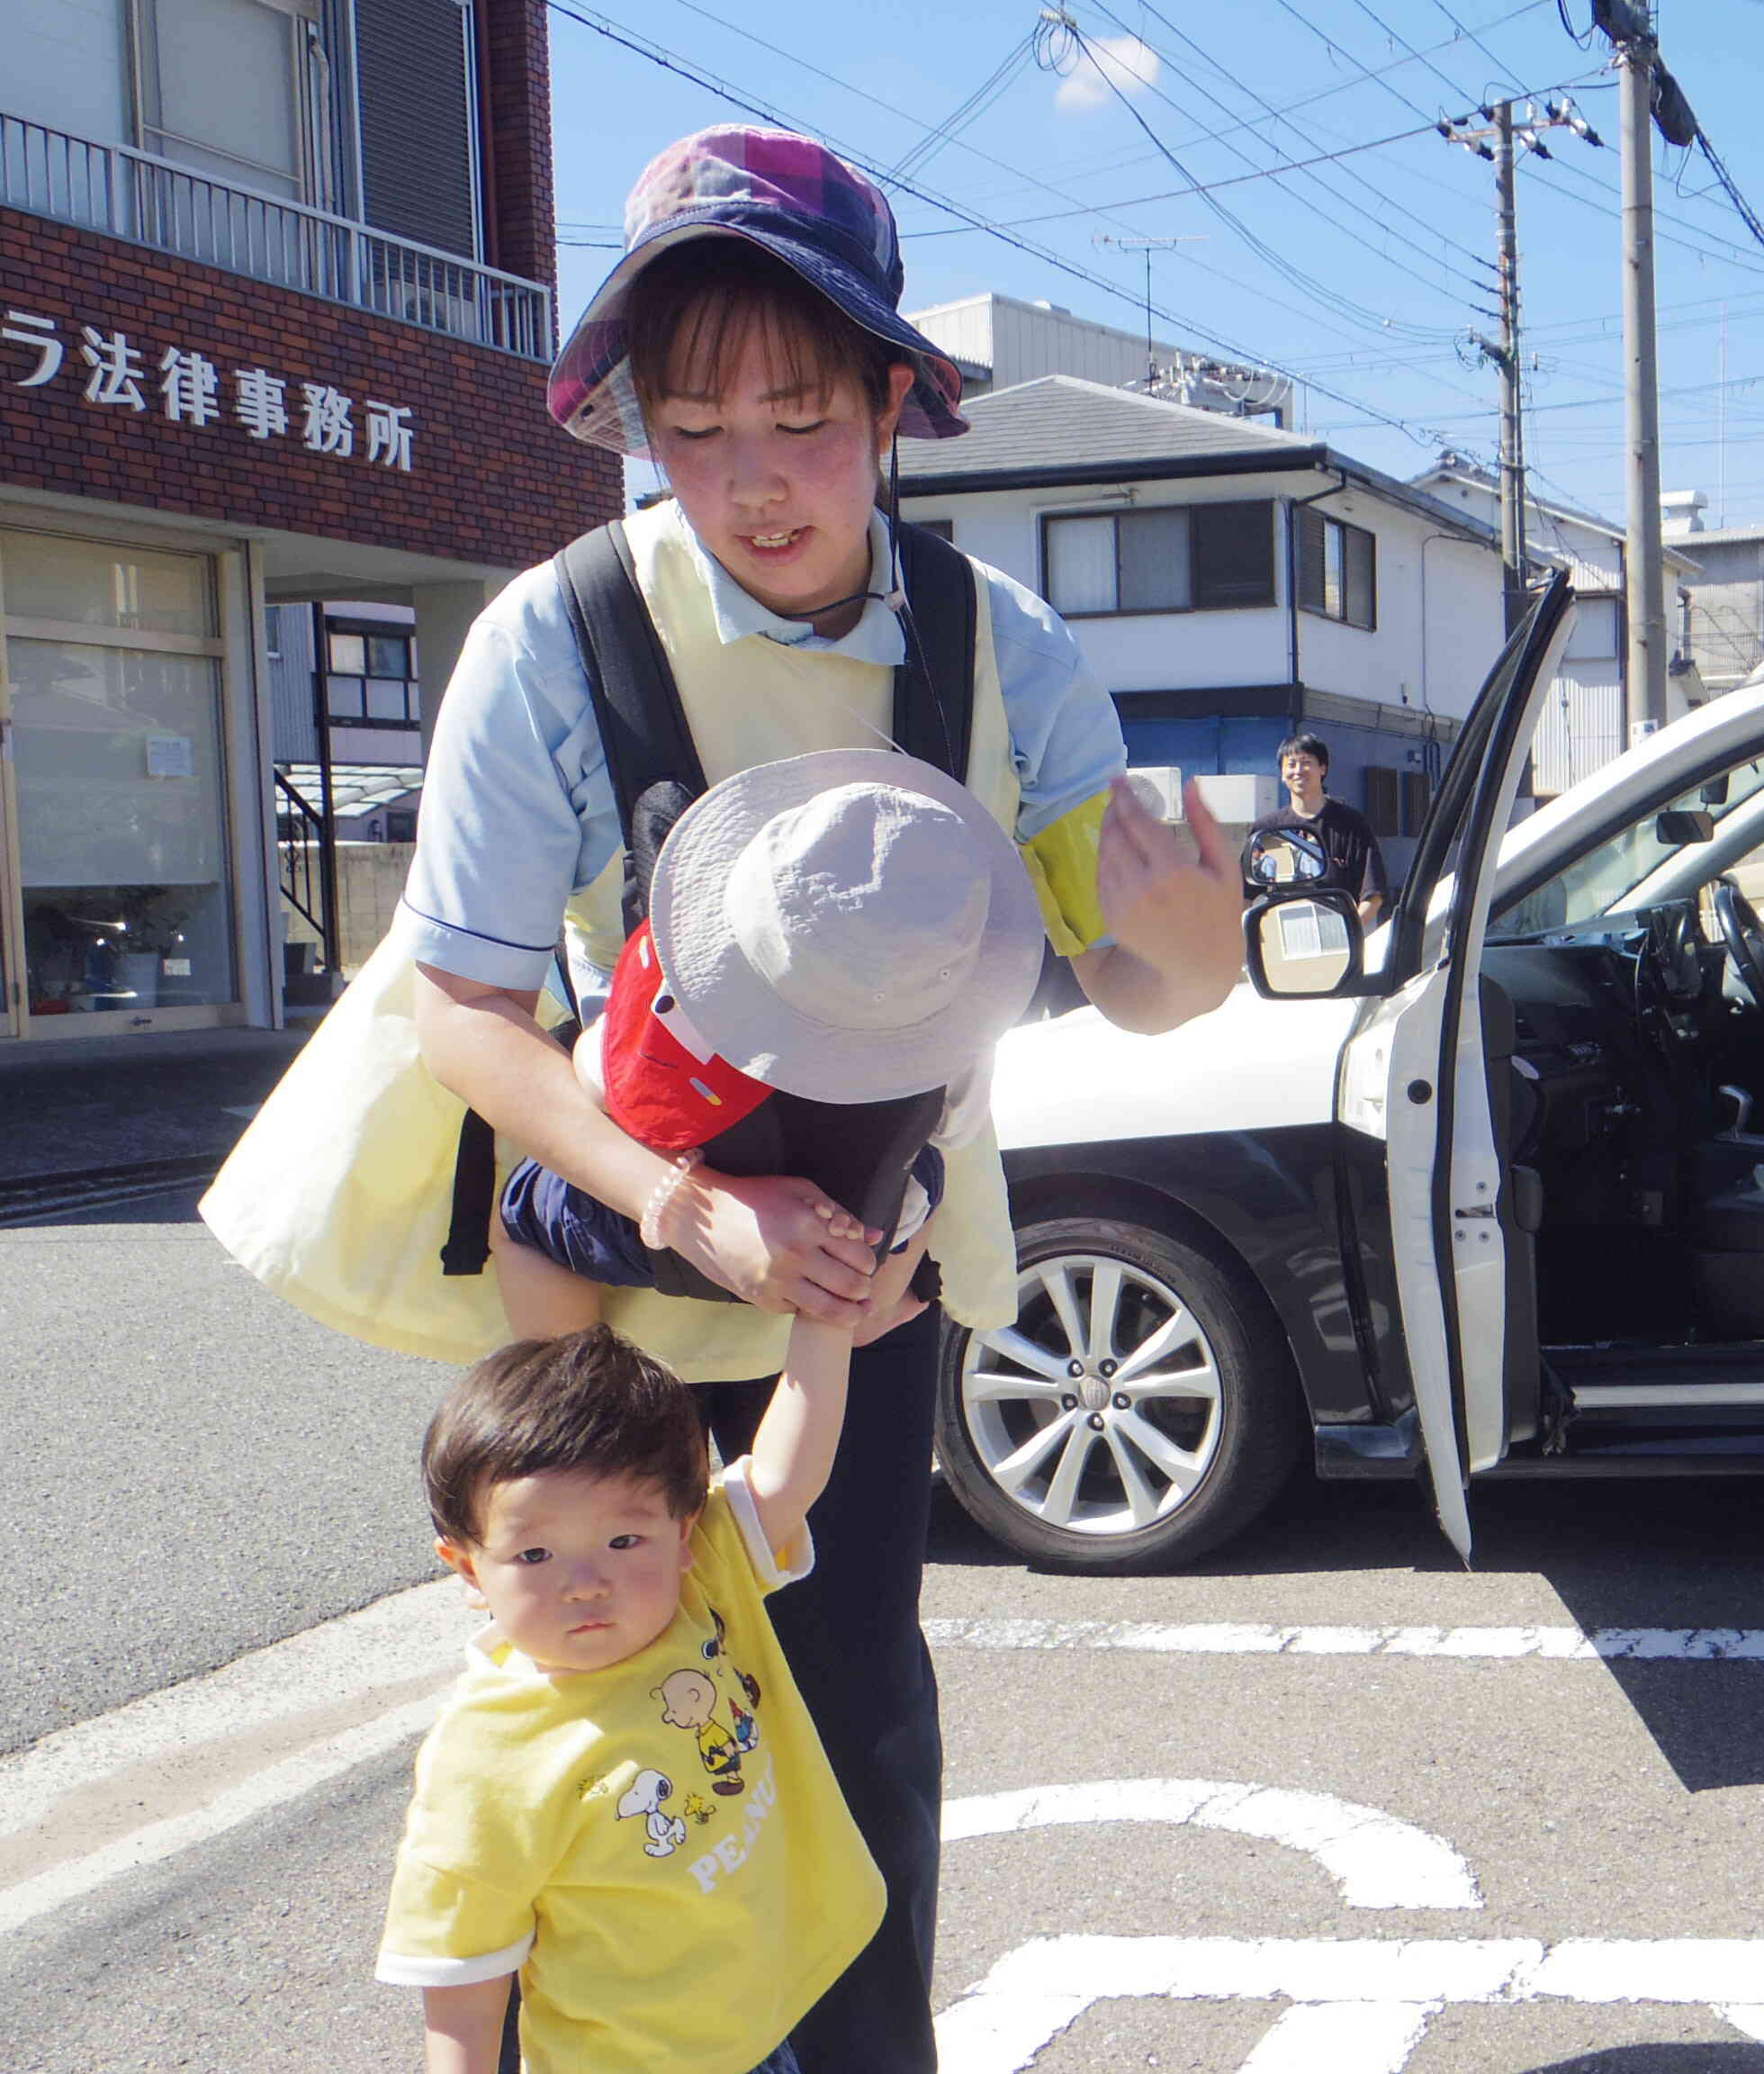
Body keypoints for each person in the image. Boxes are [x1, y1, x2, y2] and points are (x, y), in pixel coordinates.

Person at [391, 127, 1244, 2068]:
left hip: (871, 1275)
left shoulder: (993, 645)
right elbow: (460, 1008)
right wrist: (681, 1203)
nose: (751, 480)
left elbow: (1125, 976)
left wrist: (1191, 954)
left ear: (891, 401)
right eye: (690, 429)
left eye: (799, 414)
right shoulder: (561, 634)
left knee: (844, 1715)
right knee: (587, 1729)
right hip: (612, 1280)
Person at [378, 1323, 874, 2074]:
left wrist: (826, 1327)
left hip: (758, 2027)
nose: (587, 1582)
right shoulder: (485, 1758)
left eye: (623, 1541)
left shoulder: (698, 1584)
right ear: (468, 1569)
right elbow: (463, 1970)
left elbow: (785, 1478)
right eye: (535, 1554)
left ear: (682, 1534)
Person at [490, 748, 1042, 1354]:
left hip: (688, 1231)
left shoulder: (686, 1006)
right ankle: (882, 1303)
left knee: (522, 1209)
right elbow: (956, 1128)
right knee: (930, 1163)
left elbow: (600, 1079)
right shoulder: (951, 1038)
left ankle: (570, 1384)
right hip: (846, 1240)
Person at [1252, 732, 1390, 924]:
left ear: (1323, 768)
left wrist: (1348, 932)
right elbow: (1247, 895)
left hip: (1342, 937)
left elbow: (1374, 895)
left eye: (1307, 762)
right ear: (1282, 774)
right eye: (1291, 764)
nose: (1298, 770)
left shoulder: (1351, 824)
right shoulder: (1267, 830)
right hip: (1285, 938)